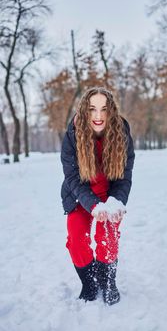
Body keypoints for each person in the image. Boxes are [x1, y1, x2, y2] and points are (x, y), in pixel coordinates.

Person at [60, 87, 135, 306]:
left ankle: (107, 280)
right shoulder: (72, 135)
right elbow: (72, 178)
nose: (98, 116)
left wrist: (116, 201)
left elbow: (125, 176)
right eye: (92, 109)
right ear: (85, 110)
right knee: (76, 241)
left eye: (104, 109)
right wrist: (93, 206)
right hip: (79, 197)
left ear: (111, 111)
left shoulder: (122, 133)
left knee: (108, 238)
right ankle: (90, 282)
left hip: (109, 197)